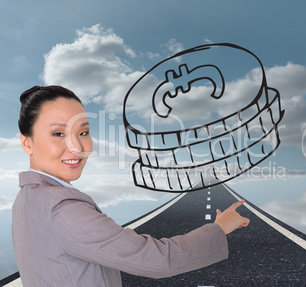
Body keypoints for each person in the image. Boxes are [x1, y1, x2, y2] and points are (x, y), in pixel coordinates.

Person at [12, 85, 250, 287]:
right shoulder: (62, 208)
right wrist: (220, 228)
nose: (77, 146)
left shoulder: (25, 198)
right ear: (27, 142)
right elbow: (158, 260)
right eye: (58, 133)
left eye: (83, 132)